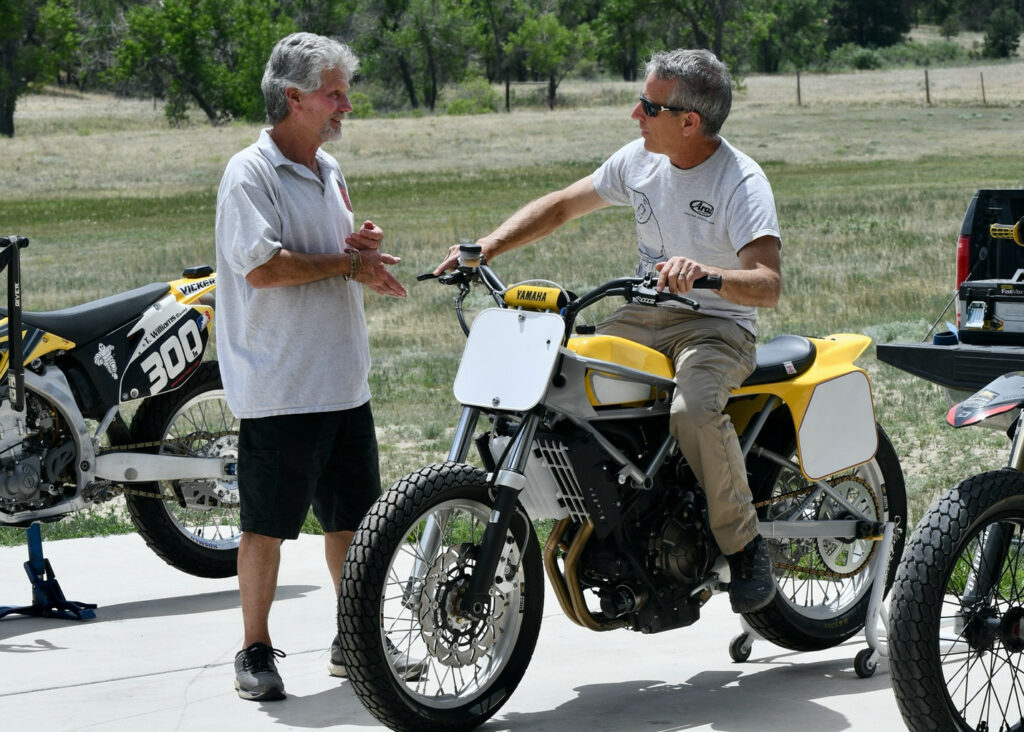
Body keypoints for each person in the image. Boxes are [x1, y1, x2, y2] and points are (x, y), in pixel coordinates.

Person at [434, 48, 782, 616]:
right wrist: (488, 246)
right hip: (643, 316)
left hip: (717, 327)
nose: (634, 114)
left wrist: (707, 275)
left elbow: (767, 283)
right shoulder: (639, 161)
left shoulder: (740, 182)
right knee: (560, 378)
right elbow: (562, 206)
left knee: (692, 412)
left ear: (689, 121)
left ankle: (745, 547)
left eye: (649, 104)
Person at [216, 32, 410, 702]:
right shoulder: (251, 172)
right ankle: (254, 650)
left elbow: (328, 259)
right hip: (280, 387)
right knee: (266, 528)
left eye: (345, 93)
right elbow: (265, 267)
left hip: (341, 383)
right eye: (333, 93)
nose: (345, 106)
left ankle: (353, 640)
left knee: (353, 525)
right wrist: (347, 264)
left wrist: (362, 255)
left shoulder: (329, 170)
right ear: (292, 97)